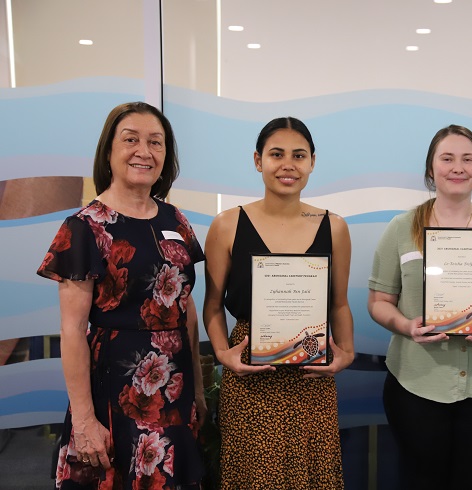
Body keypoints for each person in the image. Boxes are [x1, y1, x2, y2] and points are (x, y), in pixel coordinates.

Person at [37, 102, 206, 489]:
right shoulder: (84, 227)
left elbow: (185, 305)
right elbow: (73, 328)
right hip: (117, 388)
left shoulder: (175, 219)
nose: (144, 151)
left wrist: (196, 389)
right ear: (109, 151)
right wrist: (83, 421)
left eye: (156, 142)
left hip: (174, 388)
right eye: (131, 139)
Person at [367, 125, 472, 490]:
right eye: (447, 159)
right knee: (420, 481)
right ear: (431, 169)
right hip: (416, 385)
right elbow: (379, 302)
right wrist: (405, 325)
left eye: (467, 159)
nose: (457, 167)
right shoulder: (401, 228)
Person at [203, 116, 355, 489]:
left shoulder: (333, 226)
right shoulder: (227, 224)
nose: (288, 164)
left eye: (299, 155)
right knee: (254, 476)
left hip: (311, 377)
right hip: (249, 372)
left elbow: (338, 304)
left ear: (312, 163)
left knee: (312, 474)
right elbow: (211, 305)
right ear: (258, 160)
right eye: (276, 154)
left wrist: (347, 352)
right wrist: (224, 354)